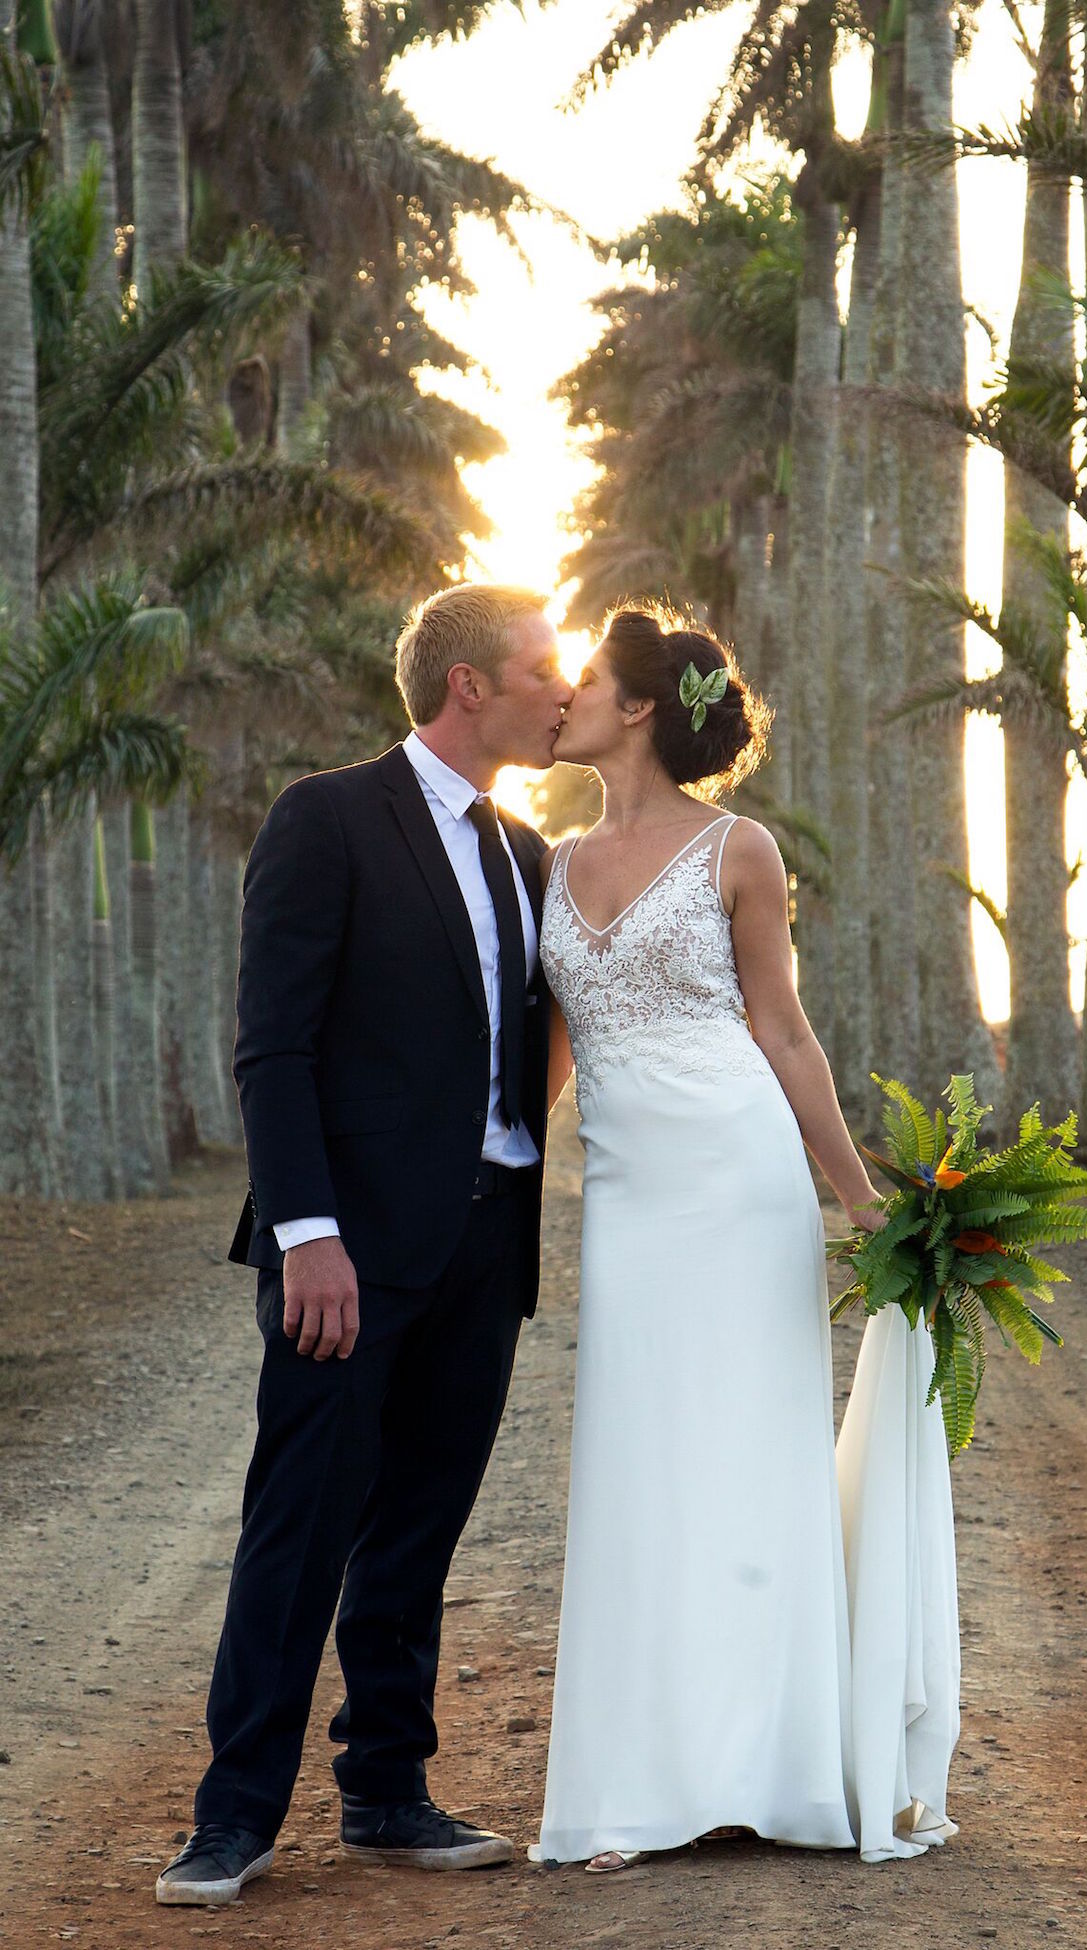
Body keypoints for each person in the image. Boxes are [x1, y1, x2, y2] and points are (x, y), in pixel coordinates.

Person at [157, 585, 574, 1906]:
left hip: (488, 1239)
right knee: (300, 1527)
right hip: (346, 1254)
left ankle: (387, 1791)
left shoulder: (528, 851)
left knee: (418, 1535)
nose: (560, 692)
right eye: (539, 670)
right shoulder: (328, 817)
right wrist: (306, 1233)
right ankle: (232, 1819)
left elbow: (531, 1045)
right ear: (468, 686)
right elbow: (271, 1041)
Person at [531, 607, 961, 1871]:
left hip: (736, 1175)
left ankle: (768, 1770)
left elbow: (783, 1035)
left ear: (643, 708)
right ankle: (640, 1782)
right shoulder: (548, 862)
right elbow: (551, 1048)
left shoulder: (739, 849)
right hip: (625, 1194)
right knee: (638, 1458)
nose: (565, 697)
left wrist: (862, 1204)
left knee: (750, 1458)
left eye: (589, 680)